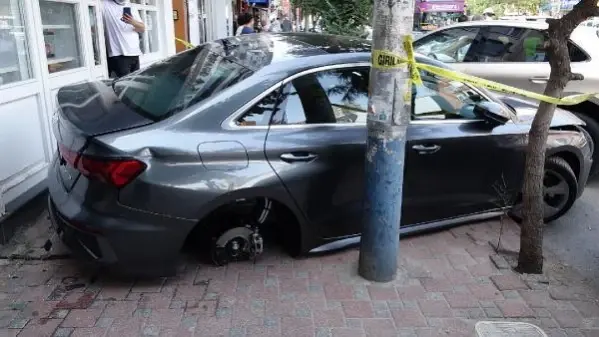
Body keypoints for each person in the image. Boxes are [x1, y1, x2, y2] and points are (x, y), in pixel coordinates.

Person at [102, 0, 145, 78]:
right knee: (125, 85)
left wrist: (133, 22)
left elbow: (142, 29)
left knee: (135, 83)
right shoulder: (105, 4)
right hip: (119, 54)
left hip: (135, 53)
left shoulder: (131, 6)